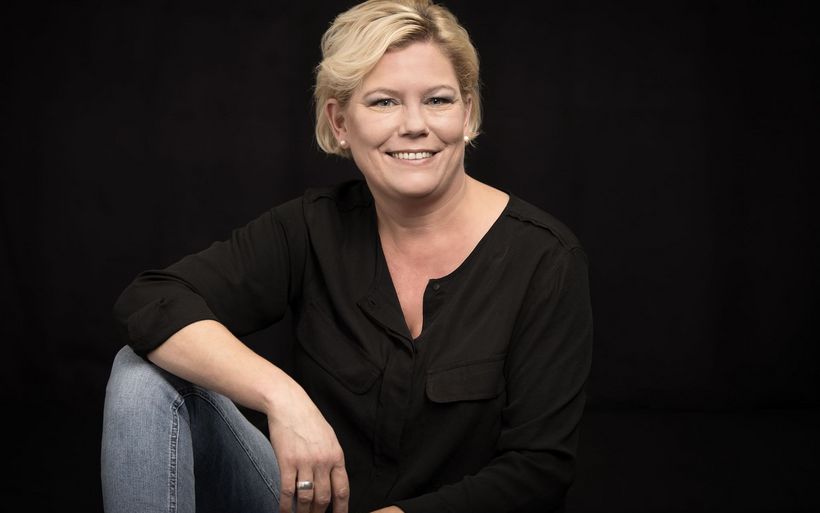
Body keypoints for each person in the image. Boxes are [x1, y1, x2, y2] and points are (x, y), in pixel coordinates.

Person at [101, 1, 593, 512]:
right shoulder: (311, 226)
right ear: (339, 122)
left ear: (467, 113)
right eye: (384, 102)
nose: (414, 125)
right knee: (140, 373)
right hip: (307, 505)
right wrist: (282, 397)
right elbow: (151, 300)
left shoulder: (545, 258)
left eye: (438, 100)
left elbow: (539, 471)